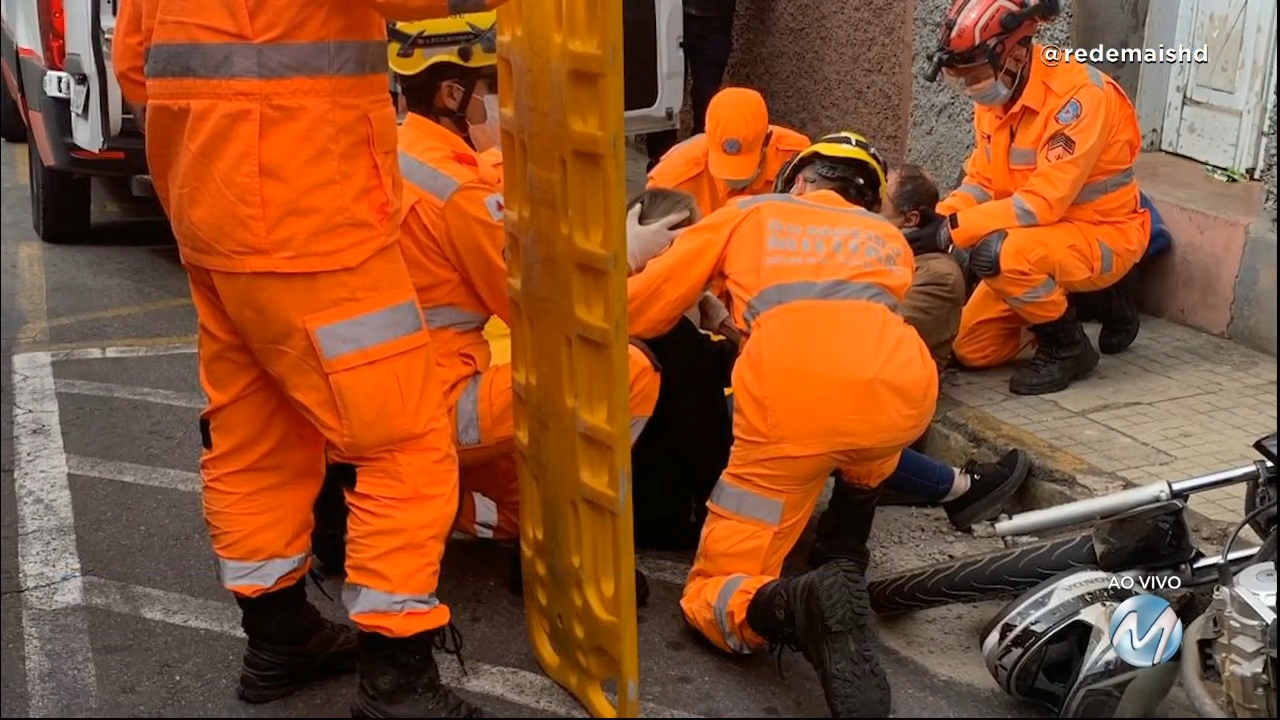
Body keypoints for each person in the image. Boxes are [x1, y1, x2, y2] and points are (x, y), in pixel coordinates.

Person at [113, 0, 511, 717]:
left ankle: (279, 635)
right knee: (406, 441)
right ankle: (398, 678)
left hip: (213, 213)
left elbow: (135, 68)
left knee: (257, 433)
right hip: (311, 218)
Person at [628, 131, 936, 717]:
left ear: (798, 179)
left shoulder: (751, 212)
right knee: (866, 431)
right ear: (866, 198)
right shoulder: (886, 238)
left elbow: (647, 307)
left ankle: (791, 606)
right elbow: (836, 321)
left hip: (791, 409)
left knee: (710, 598)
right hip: (900, 394)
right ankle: (843, 549)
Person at [927, 0, 1150, 396]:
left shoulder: (1078, 99)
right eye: (958, 77)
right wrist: (939, 218)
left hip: (1101, 234)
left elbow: (1039, 204)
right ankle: (1087, 302)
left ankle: (1068, 347)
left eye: (975, 76)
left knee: (995, 255)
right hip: (1036, 237)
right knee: (971, 349)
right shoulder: (998, 93)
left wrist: (951, 232)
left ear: (1014, 52)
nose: (969, 88)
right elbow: (980, 180)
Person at [624, 189, 742, 551]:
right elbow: (706, 444)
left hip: (628, 508)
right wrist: (726, 325)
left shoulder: (615, 313)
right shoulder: (674, 337)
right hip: (667, 522)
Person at [647, 86, 810, 219]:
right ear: (707, 137)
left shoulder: (797, 160)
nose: (732, 177)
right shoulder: (671, 182)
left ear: (766, 141)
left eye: (743, 163)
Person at [644, 0, 739, 170]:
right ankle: (660, 163)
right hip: (674, 15)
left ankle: (700, 162)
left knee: (706, 96)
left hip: (715, 21)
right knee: (666, 94)